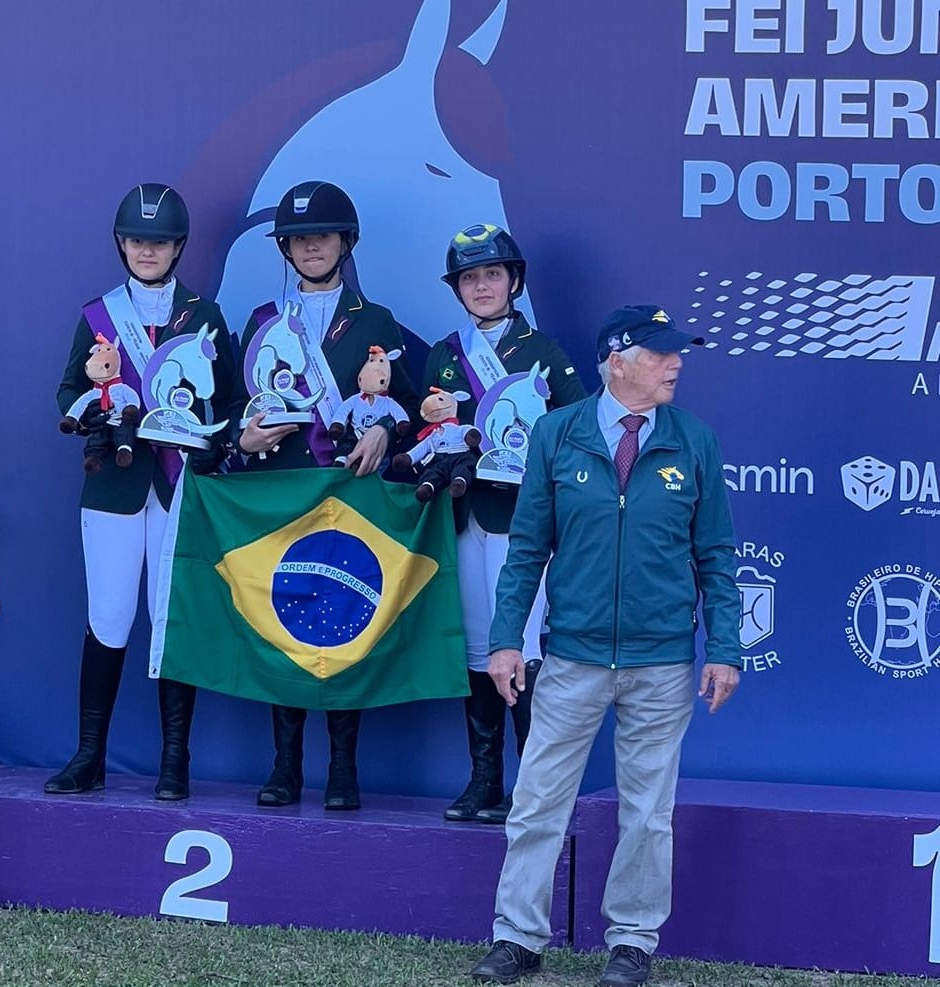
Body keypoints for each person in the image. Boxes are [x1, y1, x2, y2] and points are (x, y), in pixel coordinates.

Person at [470, 306, 741, 986]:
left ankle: (632, 943)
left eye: (678, 353)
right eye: (661, 354)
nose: (677, 363)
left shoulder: (694, 439)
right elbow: (527, 548)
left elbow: (716, 554)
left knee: (648, 812)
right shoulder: (557, 434)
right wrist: (505, 640)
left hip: (663, 663)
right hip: (571, 658)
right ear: (617, 360)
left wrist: (726, 646)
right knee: (536, 801)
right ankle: (518, 939)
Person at [229, 179, 417, 811]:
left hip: (347, 497)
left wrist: (387, 432)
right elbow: (232, 405)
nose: (311, 246)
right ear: (284, 249)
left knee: (344, 625)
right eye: (299, 238)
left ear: (345, 242)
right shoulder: (261, 321)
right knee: (284, 621)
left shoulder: (378, 322)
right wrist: (243, 436)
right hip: (280, 493)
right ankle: (285, 766)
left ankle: (342, 767)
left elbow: (415, 410)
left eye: (322, 235)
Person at [46, 183, 234, 801]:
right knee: (108, 616)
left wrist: (213, 440)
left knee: (172, 618)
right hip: (114, 488)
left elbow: (230, 403)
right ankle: (89, 754)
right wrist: (94, 414)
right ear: (121, 244)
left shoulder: (205, 315)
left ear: (178, 246)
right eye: (136, 240)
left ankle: (174, 759)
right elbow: (68, 391)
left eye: (157, 242)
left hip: (180, 485)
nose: (146, 251)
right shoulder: (97, 315)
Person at [420, 224, 586, 824]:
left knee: (524, 647)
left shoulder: (545, 353)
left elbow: (576, 434)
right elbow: (431, 433)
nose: (482, 286)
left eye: (492, 274)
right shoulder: (443, 355)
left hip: (524, 524)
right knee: (475, 645)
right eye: (470, 277)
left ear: (513, 280)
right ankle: (484, 780)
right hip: (466, 516)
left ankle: (535, 787)